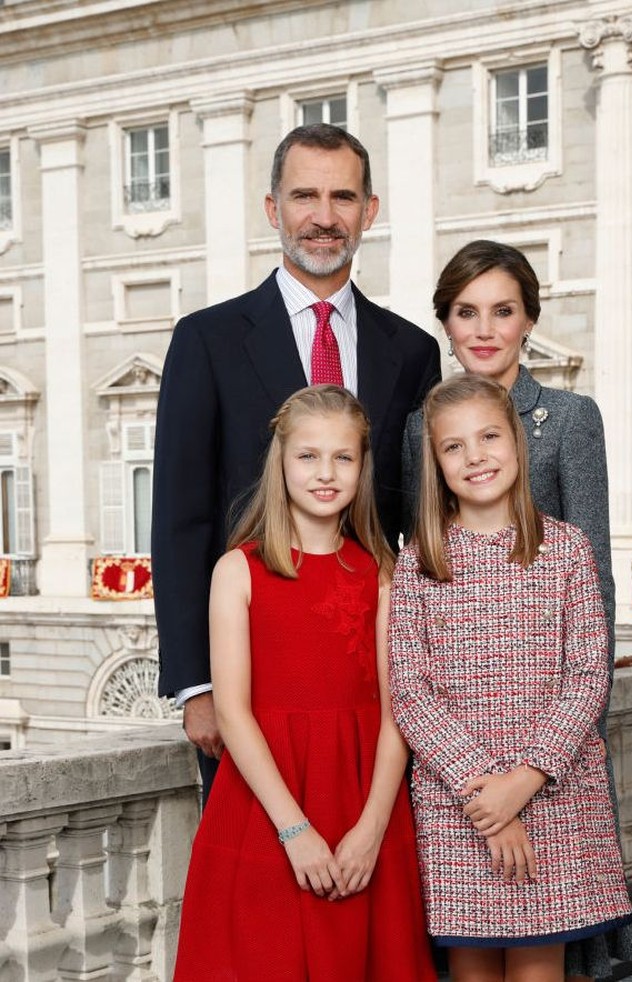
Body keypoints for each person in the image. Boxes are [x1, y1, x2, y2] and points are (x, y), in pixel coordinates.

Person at [152, 123, 441, 800]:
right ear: (273, 208)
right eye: (304, 195)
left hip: (372, 678)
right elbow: (180, 518)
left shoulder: (412, 350)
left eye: (343, 197)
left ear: (369, 211)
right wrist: (196, 683)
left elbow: (424, 519)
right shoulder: (206, 340)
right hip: (250, 677)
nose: (323, 216)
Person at [402, 240, 632, 979]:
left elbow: (592, 603)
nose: (484, 328)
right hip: (458, 778)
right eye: (465, 311)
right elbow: (412, 669)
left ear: (529, 318)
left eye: (502, 310)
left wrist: (550, 760)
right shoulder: (419, 432)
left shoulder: (568, 420)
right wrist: (480, 787)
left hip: (553, 755)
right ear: (445, 322)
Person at [172, 385, 437, 982]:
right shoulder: (237, 570)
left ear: (363, 467)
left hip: (362, 799)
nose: (325, 473)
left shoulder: (382, 573)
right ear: (282, 462)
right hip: (266, 805)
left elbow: (399, 714)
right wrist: (294, 831)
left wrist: (371, 830)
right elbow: (233, 714)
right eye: (308, 456)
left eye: (343, 457)